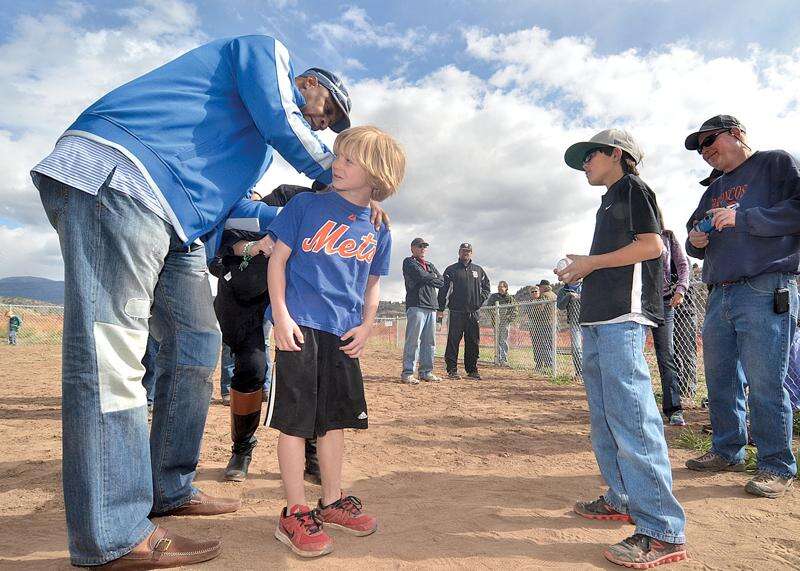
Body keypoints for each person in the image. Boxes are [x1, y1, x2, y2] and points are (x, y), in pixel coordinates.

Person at [30, 34, 352, 568]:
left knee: (199, 347)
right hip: (125, 177)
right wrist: (341, 179)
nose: (325, 125)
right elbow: (286, 121)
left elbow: (238, 213)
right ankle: (112, 533)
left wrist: (304, 222)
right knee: (111, 355)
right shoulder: (263, 54)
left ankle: (168, 488)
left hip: (181, 227)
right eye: (329, 112)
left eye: (333, 125)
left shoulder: (249, 153)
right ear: (309, 84)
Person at [264, 125, 404, 557]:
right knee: (294, 421)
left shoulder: (378, 226)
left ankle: (331, 501)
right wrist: (282, 316)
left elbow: (373, 283)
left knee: (334, 422)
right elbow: (278, 261)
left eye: (347, 159)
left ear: (376, 174)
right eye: (337, 156)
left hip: (343, 333)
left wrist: (366, 325)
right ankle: (295, 510)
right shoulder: (306, 204)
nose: (335, 164)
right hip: (300, 326)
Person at [559, 129, 686, 567]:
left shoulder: (632, 187)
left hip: (622, 318)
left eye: (590, 155)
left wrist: (590, 263)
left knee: (632, 419)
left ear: (617, 154)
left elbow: (652, 246)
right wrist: (584, 268)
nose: (585, 164)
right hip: (599, 317)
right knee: (605, 417)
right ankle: (621, 497)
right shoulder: (609, 198)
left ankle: (662, 531)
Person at [683, 115, 799, 499]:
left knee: (766, 381)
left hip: (766, 286)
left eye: (709, 140)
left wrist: (744, 218)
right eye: (700, 148)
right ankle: (726, 450)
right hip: (719, 291)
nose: (705, 151)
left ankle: (776, 465)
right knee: (721, 380)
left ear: (737, 133)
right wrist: (696, 240)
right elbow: (691, 234)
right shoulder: (714, 188)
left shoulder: (775, 163)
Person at [209, 184, 322, 483]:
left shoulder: (294, 200)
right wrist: (253, 246)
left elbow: (330, 194)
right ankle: (242, 449)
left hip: (288, 292)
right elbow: (219, 254)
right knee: (252, 367)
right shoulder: (229, 209)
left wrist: (367, 201)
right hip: (241, 297)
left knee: (304, 366)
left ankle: (310, 450)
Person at [652, 215, 690, 427]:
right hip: (635, 304)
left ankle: (674, 408)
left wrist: (681, 289)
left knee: (666, 355)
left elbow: (683, 264)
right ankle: (638, 406)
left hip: (664, 303)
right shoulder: (630, 237)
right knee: (631, 355)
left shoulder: (667, 237)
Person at [437, 243, 491, 380]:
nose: (465, 253)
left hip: (473, 312)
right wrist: (441, 308)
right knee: (453, 341)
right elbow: (443, 290)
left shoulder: (478, 270)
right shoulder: (451, 270)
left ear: (471, 253)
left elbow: (487, 288)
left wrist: (479, 301)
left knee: (473, 341)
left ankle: (472, 370)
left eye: (468, 251)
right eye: (463, 251)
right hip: (456, 311)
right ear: (459, 252)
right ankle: (452, 369)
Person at [401, 237, 444, 384]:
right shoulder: (409, 262)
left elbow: (442, 281)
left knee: (429, 342)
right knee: (413, 341)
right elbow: (420, 276)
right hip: (416, 305)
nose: (422, 248)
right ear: (412, 248)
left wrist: (428, 277)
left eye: (424, 246)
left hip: (431, 305)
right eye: (419, 246)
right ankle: (408, 372)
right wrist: (430, 277)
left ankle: (426, 372)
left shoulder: (430, 265)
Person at [486, 281, 518, 365]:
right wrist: (494, 315)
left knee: (503, 340)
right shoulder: (494, 297)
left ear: (506, 288)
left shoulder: (510, 298)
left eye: (502, 287)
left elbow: (515, 310)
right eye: (499, 287)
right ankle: (497, 358)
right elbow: (489, 307)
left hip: (505, 322)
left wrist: (509, 319)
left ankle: (504, 359)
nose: (500, 288)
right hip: (496, 322)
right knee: (497, 340)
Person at [557, 281, 583, 378]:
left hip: (590, 321)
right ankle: (580, 373)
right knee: (576, 348)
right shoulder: (563, 290)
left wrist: (579, 297)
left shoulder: (587, 285)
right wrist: (568, 295)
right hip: (574, 322)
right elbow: (560, 306)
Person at [530, 279, 557, 372]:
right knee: (551, 344)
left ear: (544, 287)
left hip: (544, 323)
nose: (539, 289)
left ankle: (549, 365)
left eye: (540, 287)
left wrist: (533, 313)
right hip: (553, 322)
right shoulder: (554, 294)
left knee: (545, 344)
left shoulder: (545, 295)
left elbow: (539, 309)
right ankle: (551, 364)